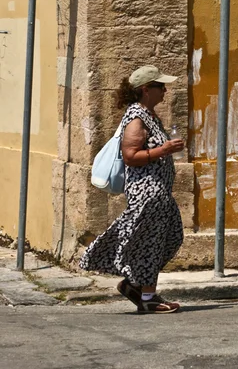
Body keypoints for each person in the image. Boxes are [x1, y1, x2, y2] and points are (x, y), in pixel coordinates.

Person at [79, 65, 185, 314]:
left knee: (167, 239)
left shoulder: (148, 115)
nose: (165, 90)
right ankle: (148, 298)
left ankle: (136, 286)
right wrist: (164, 150)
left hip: (159, 193)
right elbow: (130, 155)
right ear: (146, 89)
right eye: (160, 86)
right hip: (147, 193)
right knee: (150, 243)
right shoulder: (136, 117)